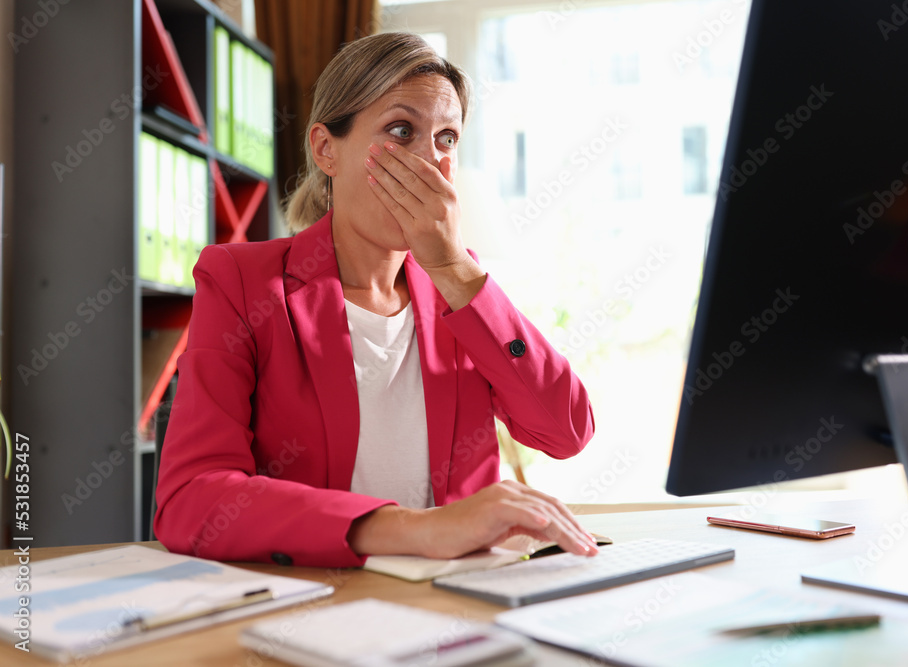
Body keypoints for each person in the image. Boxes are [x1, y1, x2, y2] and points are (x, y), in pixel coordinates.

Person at [153, 32, 597, 568]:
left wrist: (455, 271)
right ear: (326, 149)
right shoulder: (241, 281)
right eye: (401, 130)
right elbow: (191, 500)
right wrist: (417, 529)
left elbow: (566, 432)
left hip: (462, 595)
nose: (429, 161)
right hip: (323, 595)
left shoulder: (461, 292)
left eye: (447, 139)